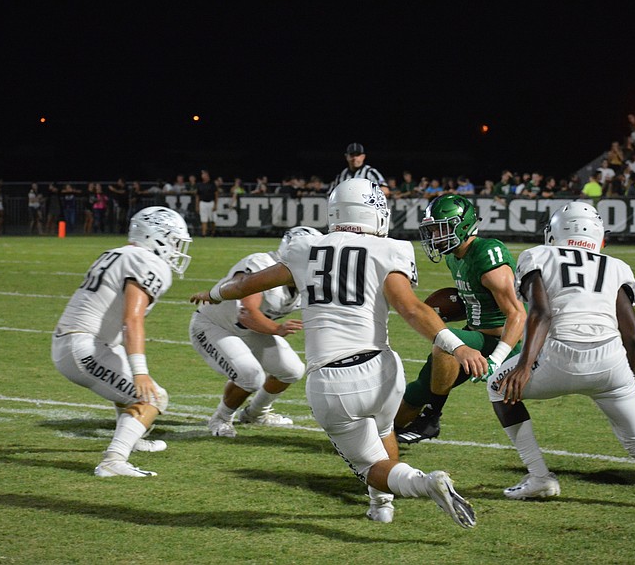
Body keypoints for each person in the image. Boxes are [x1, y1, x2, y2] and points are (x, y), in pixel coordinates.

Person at [190, 179, 479, 528]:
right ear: (375, 212)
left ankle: (423, 482)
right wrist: (457, 345)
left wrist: (215, 293)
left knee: (371, 466)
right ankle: (381, 507)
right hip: (383, 368)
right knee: (383, 430)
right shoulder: (389, 249)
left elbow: (244, 285)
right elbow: (413, 310)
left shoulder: (305, 248)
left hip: (333, 380)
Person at [486, 202, 635, 518]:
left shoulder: (539, 255)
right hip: (612, 361)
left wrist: (522, 366)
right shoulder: (615, 265)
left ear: (556, 232)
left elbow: (541, 313)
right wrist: (628, 379)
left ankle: (540, 477)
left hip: (560, 355)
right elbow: (633, 335)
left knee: (497, 387)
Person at [52, 207, 192, 477]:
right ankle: (113, 460)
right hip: (84, 347)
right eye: (174, 240)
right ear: (157, 236)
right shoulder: (149, 262)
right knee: (154, 398)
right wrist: (140, 371)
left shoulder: (119, 253)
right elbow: (132, 318)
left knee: (125, 385)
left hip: (79, 341)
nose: (176, 249)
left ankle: (132, 439)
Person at [394, 194, 526, 444]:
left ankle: (431, 419)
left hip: (505, 342)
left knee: (447, 342)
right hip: (477, 335)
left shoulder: (487, 253)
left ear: (462, 225)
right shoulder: (454, 256)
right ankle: (386, 435)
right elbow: (478, 299)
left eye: (440, 229)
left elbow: (517, 313)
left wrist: (496, 360)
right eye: (432, 231)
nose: (434, 237)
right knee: (420, 388)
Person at [192, 226, 322, 438]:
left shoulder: (307, 280)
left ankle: (256, 413)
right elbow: (246, 312)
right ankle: (221, 418)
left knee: (292, 370)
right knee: (250, 376)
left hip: (249, 329)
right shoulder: (261, 265)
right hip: (214, 325)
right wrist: (277, 329)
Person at [196, 169, 218, 237]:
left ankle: (213, 232)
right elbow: (197, 196)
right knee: (203, 219)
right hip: (203, 203)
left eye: (205, 175)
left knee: (213, 219)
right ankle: (204, 234)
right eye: (203, 175)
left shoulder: (212, 184)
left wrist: (215, 204)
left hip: (211, 202)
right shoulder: (199, 185)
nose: (203, 176)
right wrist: (197, 205)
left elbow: (216, 195)